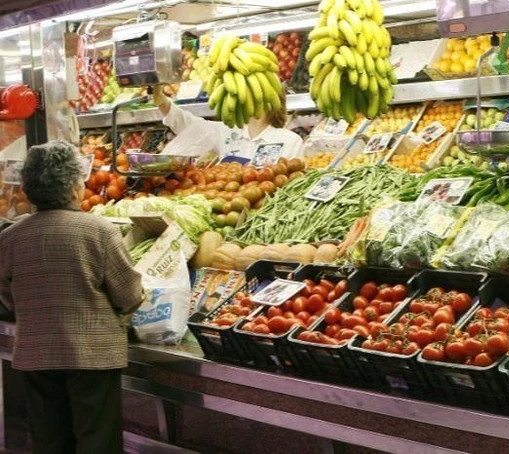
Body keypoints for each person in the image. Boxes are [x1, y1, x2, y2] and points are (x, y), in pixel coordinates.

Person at [0, 141, 144, 454]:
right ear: (73, 187)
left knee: (48, 441)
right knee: (97, 441)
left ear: (29, 189)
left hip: (37, 354)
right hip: (93, 356)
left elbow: (7, 297)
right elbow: (129, 294)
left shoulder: (10, 237)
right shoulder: (100, 231)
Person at [154, 85, 304, 163]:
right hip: (229, 207)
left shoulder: (290, 141)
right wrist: (160, 98)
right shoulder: (227, 132)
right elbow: (187, 124)